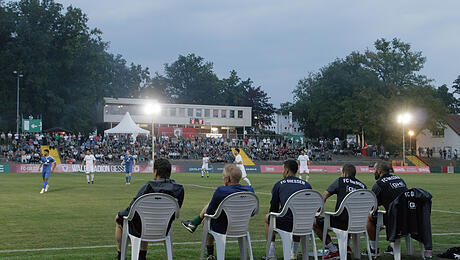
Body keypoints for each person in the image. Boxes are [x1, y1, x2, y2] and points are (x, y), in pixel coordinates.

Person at [115, 158, 184, 260]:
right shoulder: (179, 189)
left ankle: (120, 255)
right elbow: (176, 212)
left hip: (143, 228)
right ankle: (142, 256)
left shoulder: (148, 186)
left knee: (121, 220)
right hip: (163, 229)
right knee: (145, 218)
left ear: (155, 171)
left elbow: (131, 210)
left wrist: (120, 214)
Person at [181, 164, 254, 260]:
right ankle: (193, 223)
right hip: (241, 227)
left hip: (222, 228)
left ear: (227, 179)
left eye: (223, 175)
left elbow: (210, 212)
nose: (222, 177)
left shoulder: (221, 190)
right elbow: (252, 213)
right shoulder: (250, 190)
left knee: (208, 221)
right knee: (209, 211)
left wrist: (206, 218)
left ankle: (210, 254)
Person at [313, 164, 367, 259]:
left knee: (314, 223)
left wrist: (317, 212)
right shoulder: (363, 186)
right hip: (358, 223)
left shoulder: (340, 181)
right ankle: (346, 247)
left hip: (340, 222)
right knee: (350, 215)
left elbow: (324, 196)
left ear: (345, 173)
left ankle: (333, 250)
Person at [263, 159, 312, 260]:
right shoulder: (306, 185)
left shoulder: (279, 184)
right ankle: (293, 253)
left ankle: (271, 254)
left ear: (286, 171)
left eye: (283, 169)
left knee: (268, 218)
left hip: (286, 223)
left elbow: (273, 209)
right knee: (298, 216)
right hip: (304, 223)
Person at [365, 161, 408, 256]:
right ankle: (392, 246)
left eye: (374, 170)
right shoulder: (400, 179)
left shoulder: (379, 184)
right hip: (407, 216)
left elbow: (372, 205)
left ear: (379, 171)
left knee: (369, 218)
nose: (373, 172)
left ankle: (373, 249)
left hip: (394, 218)